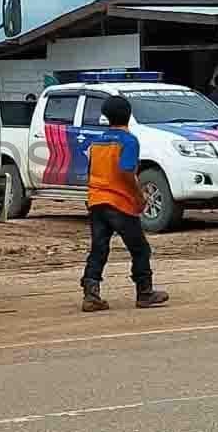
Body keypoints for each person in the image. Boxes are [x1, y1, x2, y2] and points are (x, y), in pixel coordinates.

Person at [80, 95, 170, 312]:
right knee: (139, 249)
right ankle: (145, 293)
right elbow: (127, 172)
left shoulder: (96, 142)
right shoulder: (129, 140)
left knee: (99, 248)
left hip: (96, 202)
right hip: (119, 203)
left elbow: (91, 172)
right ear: (129, 115)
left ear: (106, 116)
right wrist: (139, 197)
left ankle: (91, 295)